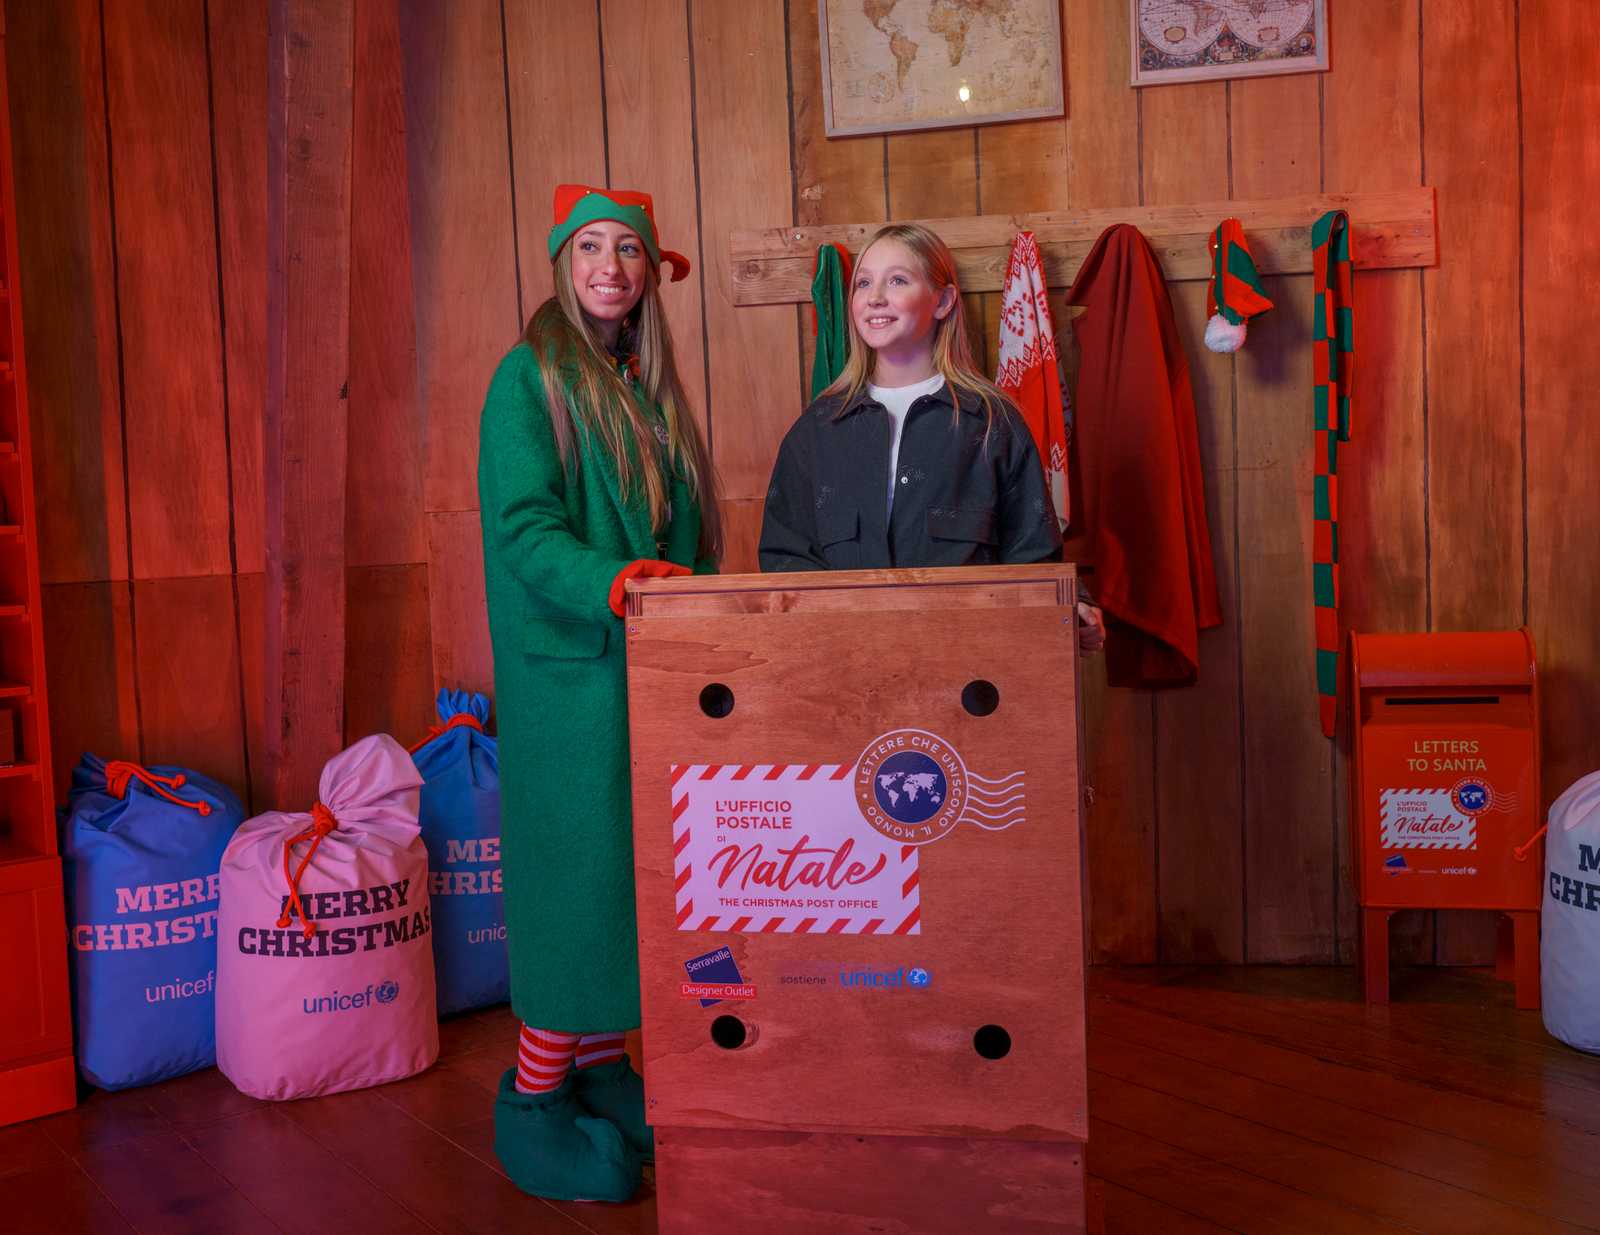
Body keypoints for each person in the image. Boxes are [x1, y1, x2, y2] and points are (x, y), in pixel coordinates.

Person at [478, 184, 719, 1203]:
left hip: (649, 669)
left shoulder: (644, 384)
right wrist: (612, 581)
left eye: (627, 249)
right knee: (576, 893)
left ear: (650, 271)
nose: (609, 266)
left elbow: (685, 526)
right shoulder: (529, 377)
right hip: (573, 680)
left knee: (635, 887)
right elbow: (523, 527)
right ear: (562, 263)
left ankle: (602, 1070)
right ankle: (532, 1100)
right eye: (590, 247)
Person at [759, 222, 1104, 648]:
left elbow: (1033, 554)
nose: (875, 297)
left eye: (897, 280)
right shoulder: (815, 431)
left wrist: (1073, 605)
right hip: (846, 660)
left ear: (942, 301)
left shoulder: (993, 423)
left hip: (968, 661)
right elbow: (786, 560)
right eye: (863, 283)